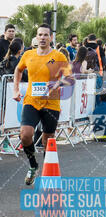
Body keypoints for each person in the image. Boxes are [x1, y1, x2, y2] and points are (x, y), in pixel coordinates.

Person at [13, 24, 74, 186]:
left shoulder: (59, 56)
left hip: (51, 103)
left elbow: (69, 78)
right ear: (36, 37)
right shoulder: (28, 55)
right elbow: (18, 71)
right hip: (31, 101)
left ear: (51, 38)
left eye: (46, 35)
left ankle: (48, 172)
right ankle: (33, 166)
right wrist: (16, 89)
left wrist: (55, 84)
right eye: (40, 35)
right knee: (25, 134)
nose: (42, 38)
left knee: (48, 140)